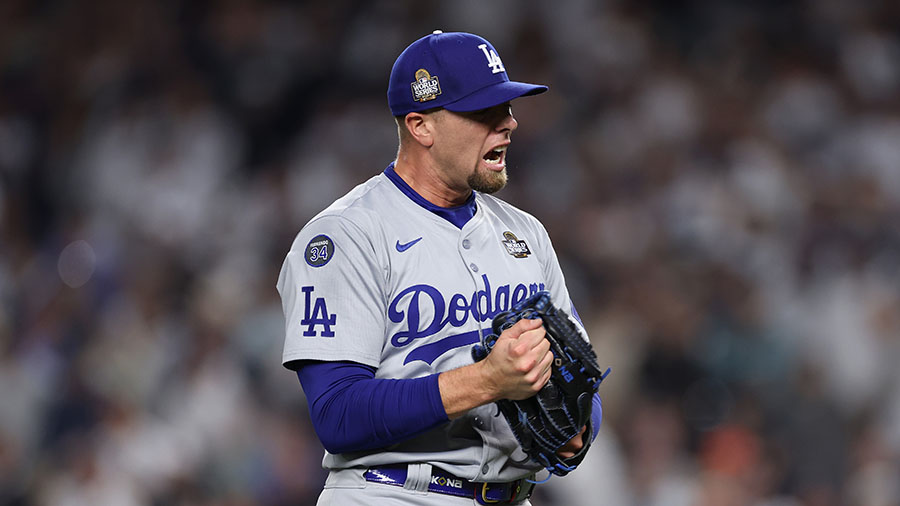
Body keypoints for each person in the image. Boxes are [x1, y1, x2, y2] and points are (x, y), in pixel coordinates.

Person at [277, 30, 603, 505]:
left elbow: (582, 375)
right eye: (484, 112)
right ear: (420, 126)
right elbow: (337, 414)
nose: (509, 123)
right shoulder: (348, 235)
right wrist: (488, 380)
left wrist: (579, 426)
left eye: (507, 108)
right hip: (391, 494)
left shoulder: (526, 234)